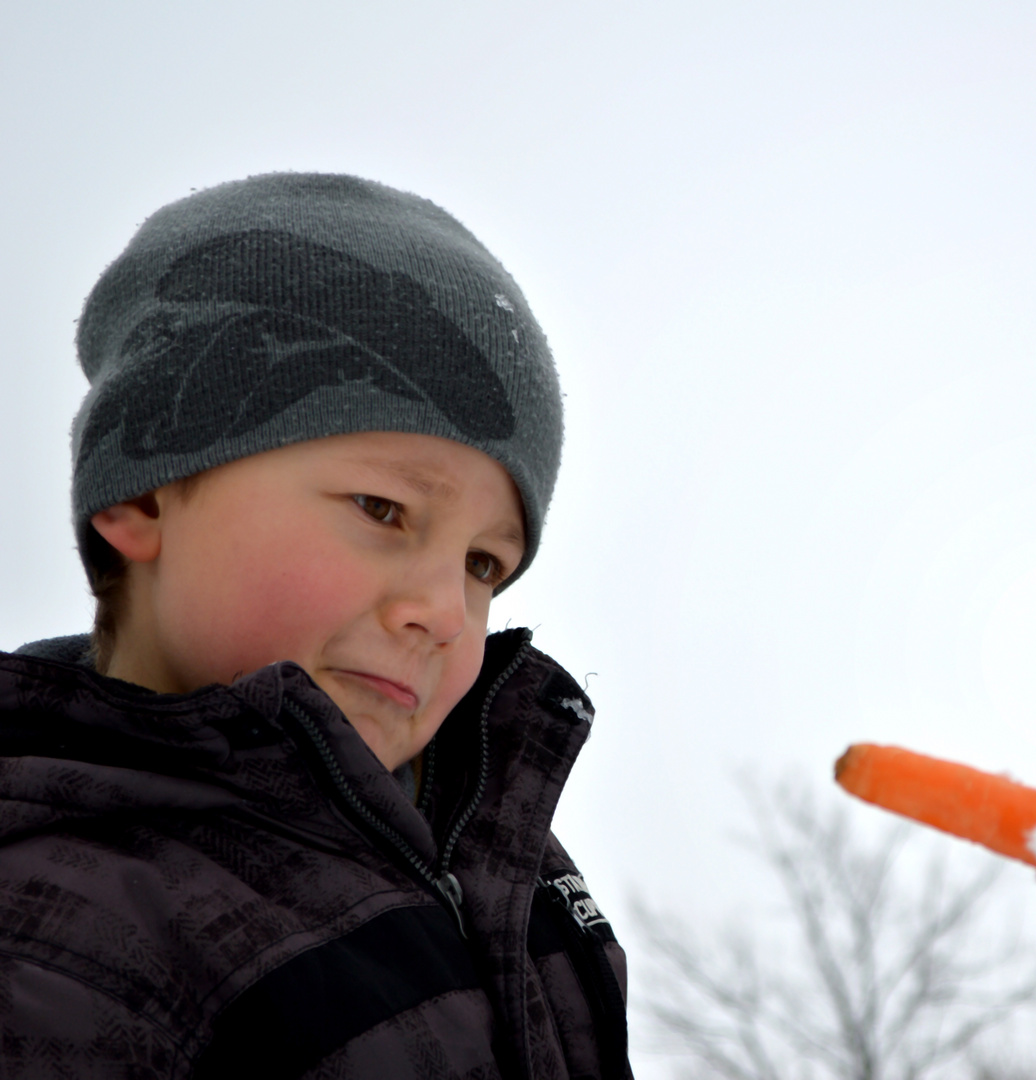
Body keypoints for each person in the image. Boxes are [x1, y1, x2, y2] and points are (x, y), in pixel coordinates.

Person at [0, 173, 630, 1079]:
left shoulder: (507, 871)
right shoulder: (58, 944)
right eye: (383, 508)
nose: (446, 613)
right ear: (143, 490)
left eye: (484, 565)